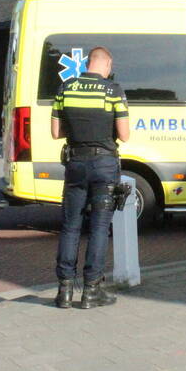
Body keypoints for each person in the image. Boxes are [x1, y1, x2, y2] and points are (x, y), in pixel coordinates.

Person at [51, 46, 129, 309]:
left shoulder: (66, 88)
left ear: (87, 63)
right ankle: (91, 291)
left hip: (75, 162)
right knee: (98, 227)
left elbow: (55, 131)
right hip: (104, 164)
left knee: (70, 225)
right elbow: (125, 133)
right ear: (106, 64)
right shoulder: (113, 90)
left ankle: (64, 290)